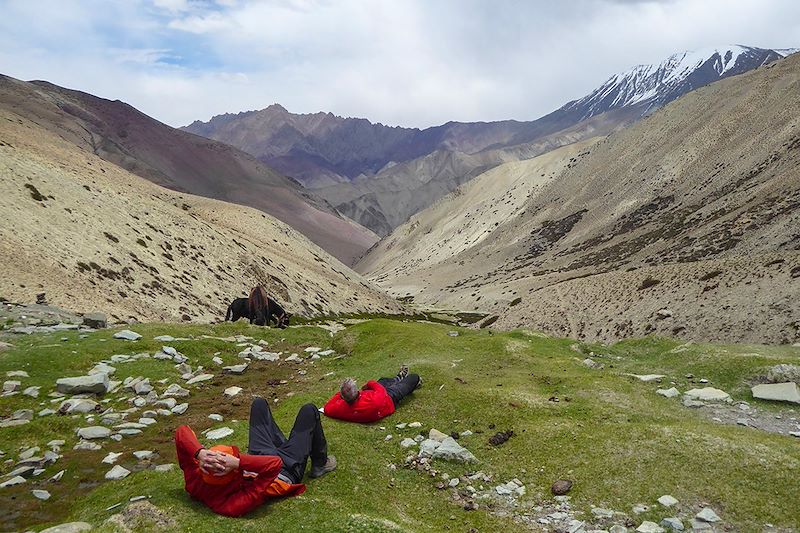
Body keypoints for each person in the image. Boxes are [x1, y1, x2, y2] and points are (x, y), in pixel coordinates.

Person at [175, 397, 337, 517]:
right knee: (309, 410)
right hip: (284, 471)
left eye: (215, 454)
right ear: (233, 470)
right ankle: (320, 464)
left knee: (259, 403)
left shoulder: (196, 481)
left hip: (258, 456)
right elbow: (275, 464)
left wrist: (199, 452)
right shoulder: (230, 505)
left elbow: (181, 431)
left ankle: (283, 444)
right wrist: (239, 462)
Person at [323, 366, 421, 423]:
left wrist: (340, 394)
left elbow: (326, 407)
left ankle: (399, 378)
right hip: (389, 398)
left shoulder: (339, 408)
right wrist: (369, 384)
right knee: (413, 378)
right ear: (357, 392)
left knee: (383, 380)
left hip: (374, 394)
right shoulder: (374, 402)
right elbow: (380, 390)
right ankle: (401, 379)